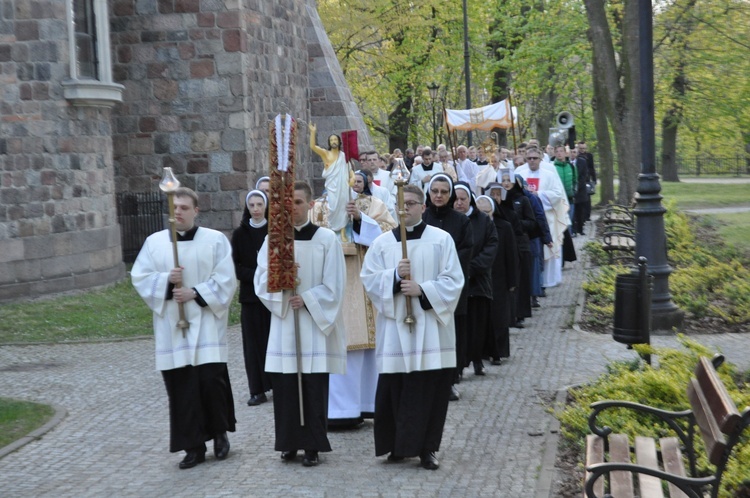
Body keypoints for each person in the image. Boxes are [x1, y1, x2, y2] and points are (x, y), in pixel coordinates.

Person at [131, 187, 237, 470]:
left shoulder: (215, 241)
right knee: (182, 387)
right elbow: (140, 277)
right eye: (174, 207)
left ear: (196, 210)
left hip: (206, 326)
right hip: (172, 327)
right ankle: (193, 446)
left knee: (209, 383)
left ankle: (219, 434)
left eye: (184, 207)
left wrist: (195, 293)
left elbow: (226, 280)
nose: (177, 212)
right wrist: (167, 281)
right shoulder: (155, 243)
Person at [360, 184, 464, 470]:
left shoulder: (441, 240)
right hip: (395, 331)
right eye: (401, 204)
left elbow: (454, 281)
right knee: (396, 389)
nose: (405, 208)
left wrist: (422, 289)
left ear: (423, 207)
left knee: (429, 390)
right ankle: (396, 446)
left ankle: (427, 449)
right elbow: (368, 279)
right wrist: (394, 277)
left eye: (411, 203)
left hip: (430, 329)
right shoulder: (382, 244)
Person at [254, 181, 347, 467]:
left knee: (312, 386)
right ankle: (288, 442)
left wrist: (306, 298)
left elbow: (335, 285)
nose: (291, 207)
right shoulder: (273, 240)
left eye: (297, 202)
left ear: (309, 205)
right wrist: (281, 287)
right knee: (285, 386)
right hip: (286, 325)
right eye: (287, 202)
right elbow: (260, 280)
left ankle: (313, 445)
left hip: (313, 326)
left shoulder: (326, 239)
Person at [327, 170, 397, 427]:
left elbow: (390, 233)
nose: (352, 184)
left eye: (357, 180)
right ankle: (341, 411)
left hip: (368, 282)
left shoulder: (374, 205)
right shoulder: (320, 207)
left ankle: (371, 404)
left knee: (371, 349)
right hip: (339, 283)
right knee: (343, 346)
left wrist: (360, 220)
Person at [422, 173, 473, 401]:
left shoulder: (461, 221)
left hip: (452, 286)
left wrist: (444, 268)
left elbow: (465, 251)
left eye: (444, 192)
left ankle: (451, 380)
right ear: (429, 193)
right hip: (425, 286)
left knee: (453, 335)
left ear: (450, 194)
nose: (439, 196)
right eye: (435, 191)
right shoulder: (422, 220)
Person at [453, 182, 498, 377]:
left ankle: (478, 359)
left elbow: (491, 248)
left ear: (470, 199)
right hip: (454, 283)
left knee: (478, 325)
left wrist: (470, 269)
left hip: (477, 281)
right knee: (460, 328)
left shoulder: (483, 221)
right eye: (456, 199)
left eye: (463, 199)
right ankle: (460, 365)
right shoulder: (450, 221)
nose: (459, 203)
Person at [231, 190, 272, 406]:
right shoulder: (239, 234)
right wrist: (255, 276)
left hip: (273, 295)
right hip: (250, 296)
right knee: (252, 345)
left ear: (266, 207)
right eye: (252, 205)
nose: (255, 209)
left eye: (259, 204)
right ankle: (256, 389)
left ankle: (276, 382)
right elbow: (234, 265)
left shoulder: (274, 231)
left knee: (272, 340)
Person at [514, 147, 568, 289]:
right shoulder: (519, 173)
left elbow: (557, 194)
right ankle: (531, 285)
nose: (532, 161)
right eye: (529, 158)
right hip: (525, 219)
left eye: (535, 158)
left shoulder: (549, 174)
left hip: (545, 217)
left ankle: (544, 282)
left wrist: (539, 194)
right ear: (526, 159)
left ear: (540, 159)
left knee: (546, 250)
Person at [477, 191, 518, 364]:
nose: (484, 216)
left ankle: (499, 352)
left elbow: (512, 255)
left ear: (493, 211)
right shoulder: (473, 226)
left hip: (500, 278)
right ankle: (483, 352)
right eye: (481, 212)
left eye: (487, 212)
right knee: (483, 318)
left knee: (500, 318)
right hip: (480, 279)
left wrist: (513, 281)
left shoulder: (505, 227)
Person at [309, 123, 353, 239]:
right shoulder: (326, 154)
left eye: (335, 139)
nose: (334, 141)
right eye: (331, 140)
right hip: (332, 186)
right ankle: (332, 230)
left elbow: (350, 170)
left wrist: (352, 178)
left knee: (343, 207)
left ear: (339, 142)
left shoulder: (344, 156)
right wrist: (313, 132)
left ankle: (343, 233)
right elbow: (313, 147)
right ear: (329, 143)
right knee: (332, 207)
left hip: (343, 185)